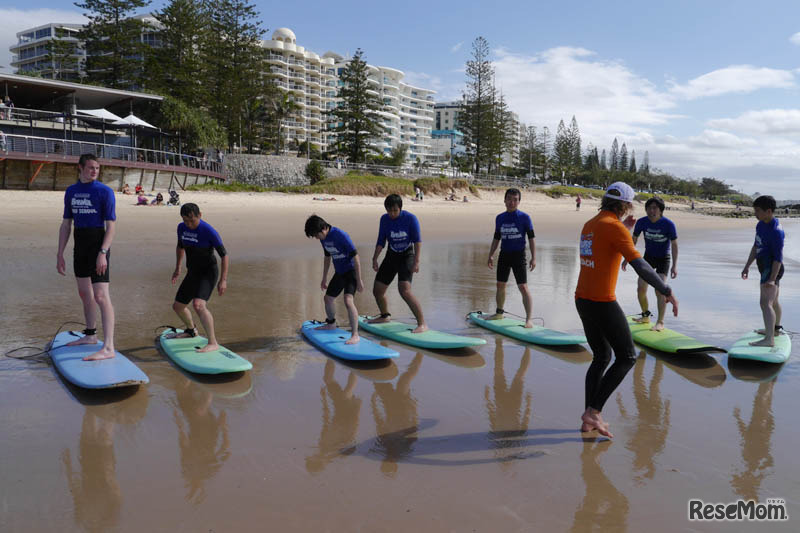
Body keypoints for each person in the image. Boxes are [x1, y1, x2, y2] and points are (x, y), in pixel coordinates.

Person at [575, 182, 678, 438]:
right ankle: (594, 411)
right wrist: (665, 290)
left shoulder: (590, 224)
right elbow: (641, 266)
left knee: (601, 357)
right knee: (627, 356)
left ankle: (589, 418)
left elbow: (604, 250)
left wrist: (626, 229)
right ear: (625, 205)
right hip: (602, 301)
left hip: (582, 298)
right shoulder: (613, 227)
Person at [56, 154, 117, 360]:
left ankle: (108, 347)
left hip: (98, 245)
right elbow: (66, 224)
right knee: (84, 293)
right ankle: (90, 335)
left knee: (100, 296)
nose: (94, 171)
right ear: (80, 168)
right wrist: (60, 253)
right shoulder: (71, 191)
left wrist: (103, 253)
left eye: (97, 168)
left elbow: (111, 227)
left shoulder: (105, 192)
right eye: (91, 167)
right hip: (80, 244)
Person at [168, 203, 229, 353]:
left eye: (192, 220)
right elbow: (180, 247)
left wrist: (223, 280)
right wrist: (178, 268)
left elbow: (224, 255)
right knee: (178, 306)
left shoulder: (208, 231)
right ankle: (191, 331)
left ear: (199, 215)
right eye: (185, 221)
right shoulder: (181, 228)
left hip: (208, 272)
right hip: (193, 272)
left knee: (199, 305)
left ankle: (213, 342)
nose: (189, 224)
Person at [368, 194, 427, 333]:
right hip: (391, 255)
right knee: (377, 290)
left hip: (407, 255)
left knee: (404, 291)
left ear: (400, 208)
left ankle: (422, 323)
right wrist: (374, 258)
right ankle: (385, 316)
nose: (392, 213)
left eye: (395, 210)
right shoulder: (384, 219)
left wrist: (417, 261)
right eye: (389, 210)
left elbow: (417, 241)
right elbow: (381, 240)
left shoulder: (410, 219)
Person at [304, 214, 364, 344]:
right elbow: (327, 257)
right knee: (328, 298)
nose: (316, 238)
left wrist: (359, 280)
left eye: (316, 235)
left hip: (351, 272)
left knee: (348, 301)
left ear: (323, 229)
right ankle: (331, 323)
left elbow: (356, 257)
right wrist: (324, 277)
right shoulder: (323, 238)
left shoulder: (341, 235)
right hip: (340, 272)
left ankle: (355, 335)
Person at [621, 197, 678, 331]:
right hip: (648, 258)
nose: (652, 211)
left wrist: (674, 265)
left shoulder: (668, 224)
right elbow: (633, 240)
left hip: (663, 259)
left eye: (655, 208)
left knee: (660, 290)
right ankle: (646, 316)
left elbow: (674, 245)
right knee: (641, 288)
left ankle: (660, 322)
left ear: (660, 210)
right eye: (649, 208)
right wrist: (627, 258)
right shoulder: (642, 222)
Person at [487, 188, 536, 327]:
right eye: (509, 199)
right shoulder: (500, 218)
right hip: (504, 254)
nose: (512, 202)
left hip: (519, 255)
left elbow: (531, 238)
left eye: (515, 199)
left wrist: (534, 258)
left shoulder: (525, 218)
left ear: (519, 202)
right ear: (504, 200)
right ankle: (499, 313)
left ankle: (528, 319)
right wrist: (490, 255)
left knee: (523, 287)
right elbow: (496, 238)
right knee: (500, 285)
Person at [741, 195, 785, 347]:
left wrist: (772, 279)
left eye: (758, 210)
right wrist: (747, 266)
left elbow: (778, 258)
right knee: (773, 301)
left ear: (769, 211)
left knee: (765, 303)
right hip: (764, 266)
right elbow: (756, 246)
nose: (755, 213)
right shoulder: (760, 225)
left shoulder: (776, 231)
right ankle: (775, 330)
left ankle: (769, 339)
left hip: (772, 268)